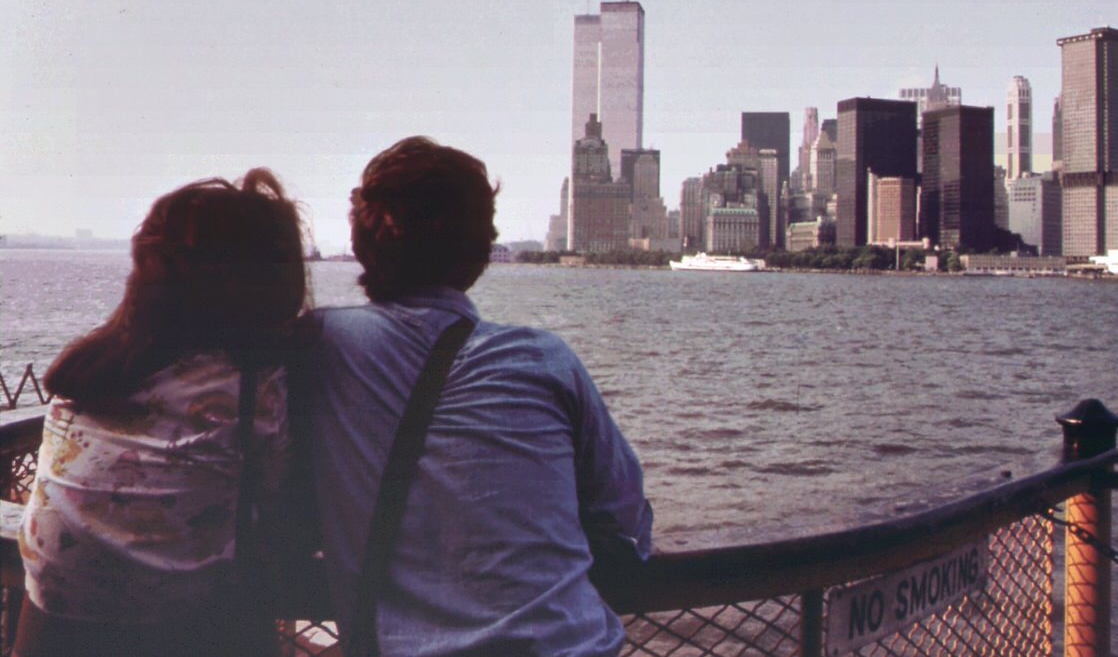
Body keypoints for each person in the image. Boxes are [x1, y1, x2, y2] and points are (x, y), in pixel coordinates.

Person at [300, 137, 652, 656]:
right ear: (483, 249)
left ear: (361, 242)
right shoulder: (543, 358)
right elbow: (627, 526)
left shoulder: (317, 346)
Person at [16, 170, 307, 657]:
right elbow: (279, 501)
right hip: (174, 629)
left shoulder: (92, 367)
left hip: (49, 620)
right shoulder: (251, 387)